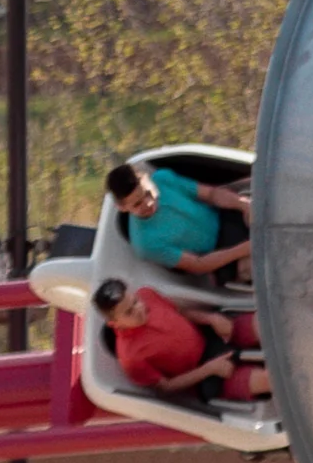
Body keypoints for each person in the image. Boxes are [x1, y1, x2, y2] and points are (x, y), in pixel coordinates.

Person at [98, 279, 269, 406]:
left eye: (135, 301)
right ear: (115, 323)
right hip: (204, 374)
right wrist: (209, 369)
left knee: (267, 323)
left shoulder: (147, 294)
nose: (139, 309)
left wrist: (211, 318)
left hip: (209, 337)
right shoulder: (131, 358)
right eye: (129, 312)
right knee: (267, 380)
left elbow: (180, 311)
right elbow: (166, 387)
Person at [109, 160, 253, 283]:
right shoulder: (145, 243)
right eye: (137, 204)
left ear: (148, 179)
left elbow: (211, 194)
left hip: (225, 217)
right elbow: (199, 264)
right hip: (221, 255)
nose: (148, 203)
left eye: (148, 193)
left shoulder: (163, 179)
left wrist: (244, 205)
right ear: (122, 207)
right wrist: (244, 249)